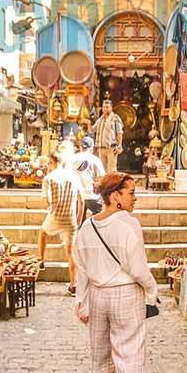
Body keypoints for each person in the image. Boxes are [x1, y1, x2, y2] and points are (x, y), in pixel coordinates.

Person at [73, 171, 158, 373]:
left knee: (100, 357)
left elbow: (81, 269)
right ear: (115, 197)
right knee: (129, 366)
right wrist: (152, 289)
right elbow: (138, 268)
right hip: (125, 296)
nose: (135, 198)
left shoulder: (86, 228)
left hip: (97, 296)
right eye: (131, 193)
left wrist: (81, 301)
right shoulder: (128, 225)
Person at [38, 140, 85, 293]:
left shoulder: (49, 179)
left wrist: (51, 208)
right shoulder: (74, 177)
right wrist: (77, 219)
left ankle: (41, 260)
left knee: (43, 232)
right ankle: (73, 285)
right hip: (70, 219)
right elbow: (82, 201)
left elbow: (48, 201)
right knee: (70, 253)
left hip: (55, 216)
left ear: (52, 162)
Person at [72, 136, 106, 216]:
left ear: (80, 147)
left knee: (78, 220)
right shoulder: (95, 159)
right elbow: (102, 177)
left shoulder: (73, 159)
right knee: (99, 216)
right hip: (92, 196)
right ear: (92, 147)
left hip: (76, 196)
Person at [92, 98, 123, 173]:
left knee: (111, 170)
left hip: (111, 148)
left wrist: (119, 146)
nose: (105, 109)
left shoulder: (115, 118)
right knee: (102, 171)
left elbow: (119, 133)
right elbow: (92, 130)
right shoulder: (100, 119)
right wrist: (88, 123)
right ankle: (105, 185)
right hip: (101, 148)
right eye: (104, 107)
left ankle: (112, 185)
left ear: (111, 108)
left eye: (107, 107)